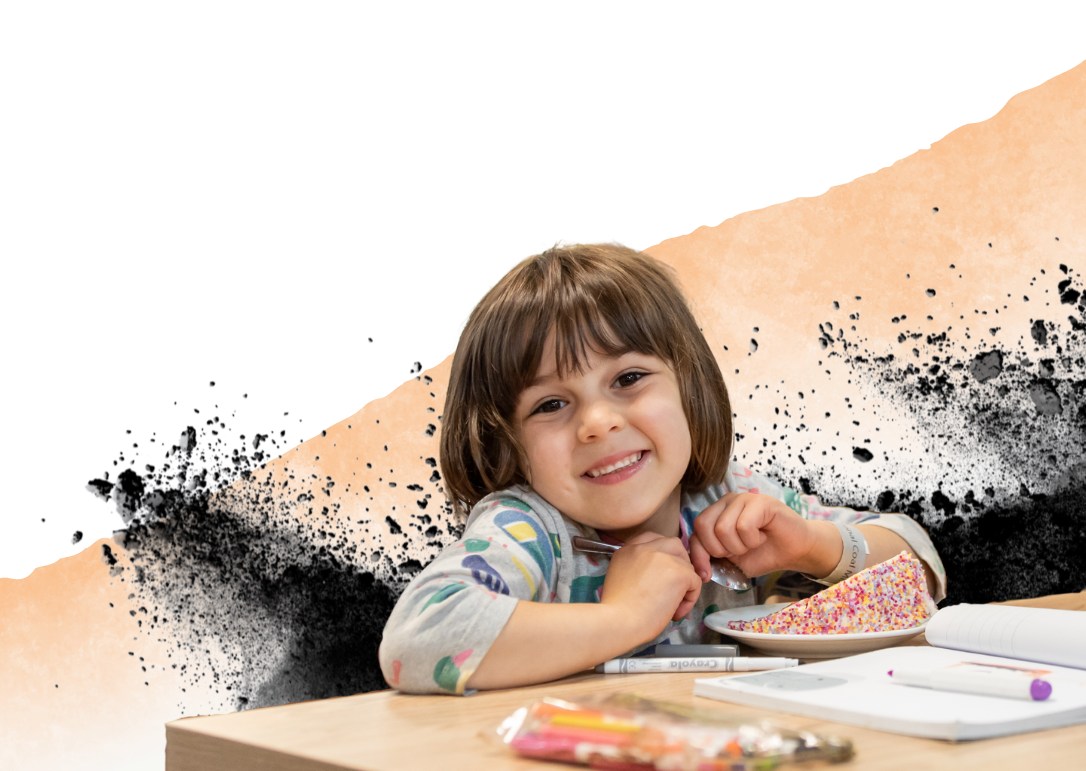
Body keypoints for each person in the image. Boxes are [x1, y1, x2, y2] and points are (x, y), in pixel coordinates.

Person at [378, 239, 946, 695]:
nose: (597, 423)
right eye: (551, 405)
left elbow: (920, 571)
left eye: (628, 379)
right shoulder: (533, 531)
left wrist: (813, 546)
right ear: (508, 444)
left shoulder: (726, 498)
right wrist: (625, 618)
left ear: (687, 386)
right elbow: (416, 642)